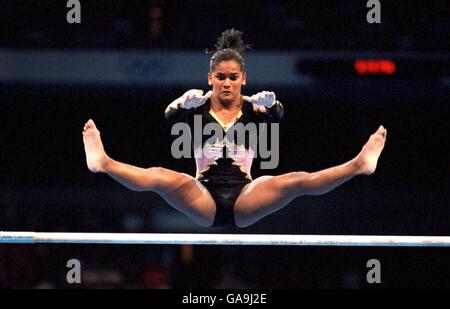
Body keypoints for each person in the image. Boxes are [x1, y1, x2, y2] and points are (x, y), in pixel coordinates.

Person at [82, 29, 387, 228]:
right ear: (210, 78)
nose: (226, 82)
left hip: (246, 197)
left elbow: (278, 117)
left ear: (243, 79)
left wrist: (273, 103)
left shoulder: (255, 107)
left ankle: (358, 164)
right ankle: (104, 163)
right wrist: (179, 104)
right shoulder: (197, 105)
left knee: (297, 181)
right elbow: (169, 116)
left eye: (232, 77)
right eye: (220, 77)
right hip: (202, 197)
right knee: (161, 176)